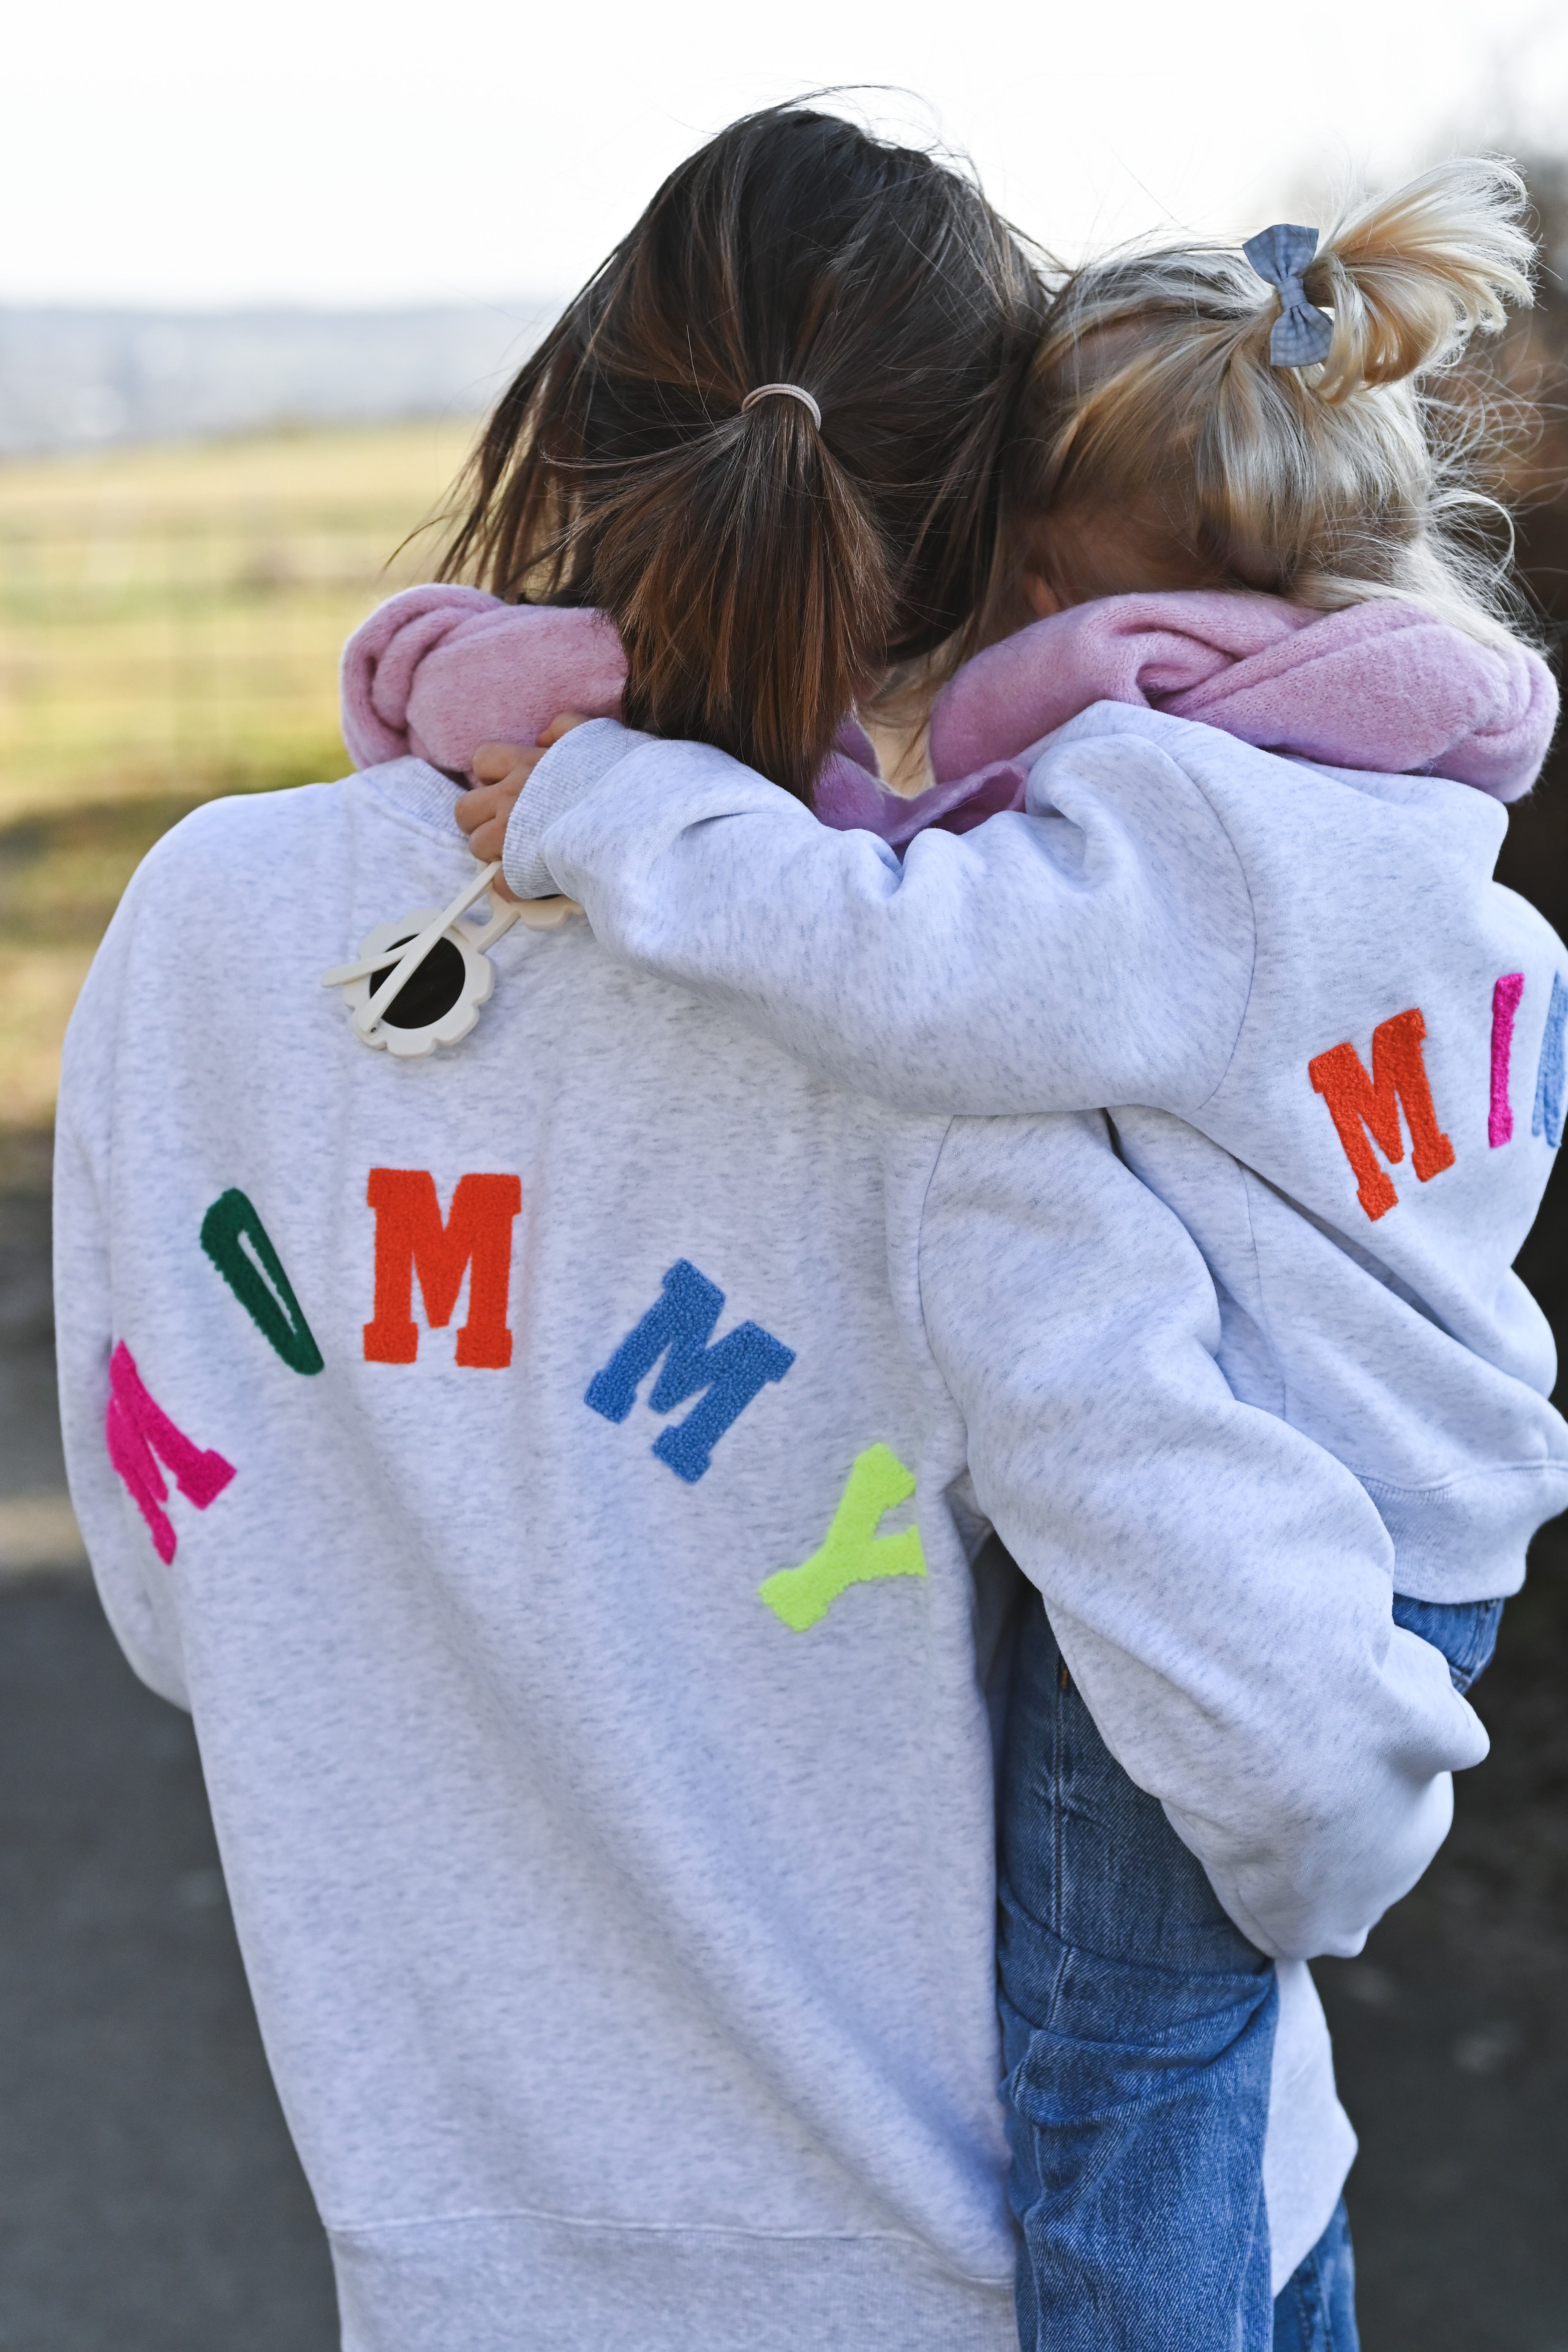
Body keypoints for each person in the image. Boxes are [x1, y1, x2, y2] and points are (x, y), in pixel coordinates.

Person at [423, 156, 1568, 2348]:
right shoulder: (1402, 824)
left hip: (1236, 1560)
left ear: (1036, 572)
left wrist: (602, 800)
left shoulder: (1191, 829)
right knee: (1199, 2078)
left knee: (1118, 2073)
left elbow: (905, 970)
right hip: (1416, 1511)